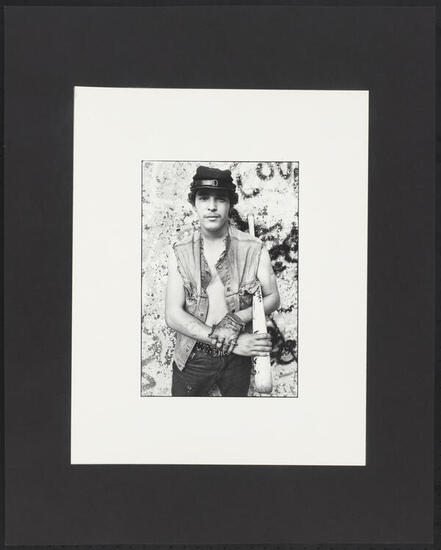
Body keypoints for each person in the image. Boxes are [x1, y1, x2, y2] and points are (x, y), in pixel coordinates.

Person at [165, 166, 280, 396]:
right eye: (204, 198)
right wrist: (230, 342)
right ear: (193, 203)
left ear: (230, 203)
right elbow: (173, 315)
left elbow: (273, 298)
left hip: (237, 361)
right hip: (193, 355)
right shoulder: (179, 252)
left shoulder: (254, 249)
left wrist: (237, 318)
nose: (212, 206)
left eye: (220, 199)